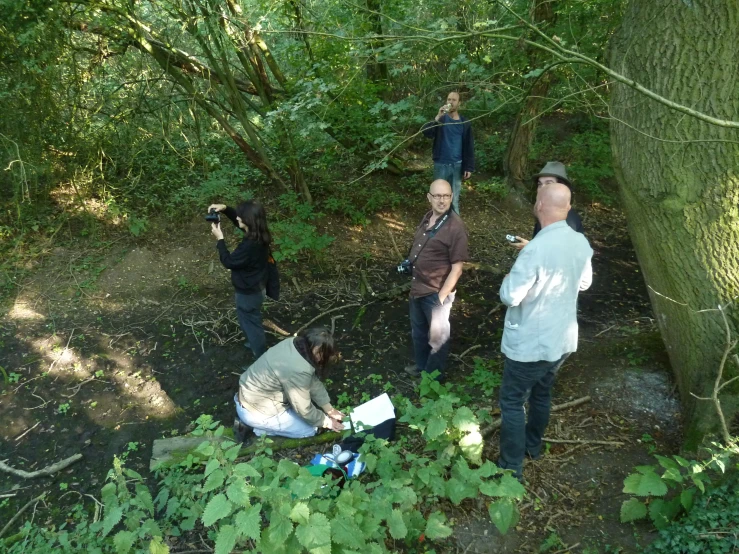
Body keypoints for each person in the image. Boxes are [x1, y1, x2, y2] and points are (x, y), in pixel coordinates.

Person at [497, 183, 593, 481]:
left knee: (512, 401)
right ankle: (533, 447)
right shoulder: (580, 243)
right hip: (562, 341)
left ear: (539, 205)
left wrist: (508, 277)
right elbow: (584, 284)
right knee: (542, 392)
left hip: (531, 344)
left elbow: (511, 296)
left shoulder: (535, 249)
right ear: (567, 208)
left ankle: (511, 468)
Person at [404, 179, 469, 382]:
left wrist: (441, 297)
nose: (442, 200)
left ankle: (433, 381)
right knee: (419, 334)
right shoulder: (427, 218)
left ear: (452, 197)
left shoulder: (456, 227)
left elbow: (457, 269)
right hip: (417, 288)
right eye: (437, 196)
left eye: (446, 196)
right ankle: (422, 367)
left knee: (437, 340)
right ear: (429, 197)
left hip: (436, 293)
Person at [233, 327, 345, 440]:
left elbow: (312, 381)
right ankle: (257, 428)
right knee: (311, 430)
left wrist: (329, 410)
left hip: (248, 394)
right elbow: (304, 409)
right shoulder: (299, 370)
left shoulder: (294, 344)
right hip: (255, 412)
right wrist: (326, 422)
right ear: (318, 352)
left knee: (311, 416)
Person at [209, 200, 270, 358]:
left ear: (248, 221)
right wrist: (226, 209)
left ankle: (261, 357)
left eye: (240, 217)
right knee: (249, 320)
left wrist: (220, 239)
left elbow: (229, 262)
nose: (237, 218)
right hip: (257, 287)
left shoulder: (250, 246)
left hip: (248, 293)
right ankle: (254, 342)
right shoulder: (259, 233)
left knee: (251, 324)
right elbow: (239, 222)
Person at [509, 161, 584, 250]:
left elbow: (563, 257)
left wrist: (532, 248)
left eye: (549, 183)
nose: (542, 188)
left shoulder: (568, 220)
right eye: (540, 184)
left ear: (561, 187)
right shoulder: (543, 211)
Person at [422, 91, 475, 214]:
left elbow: (469, 146)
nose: (450, 102)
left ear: (459, 103)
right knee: (438, 199)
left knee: (454, 199)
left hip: (457, 165)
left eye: (454, 100)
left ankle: (455, 229)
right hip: (441, 164)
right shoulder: (441, 119)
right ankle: (437, 227)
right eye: (448, 99)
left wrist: (469, 167)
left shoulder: (464, 122)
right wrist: (437, 118)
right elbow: (427, 133)